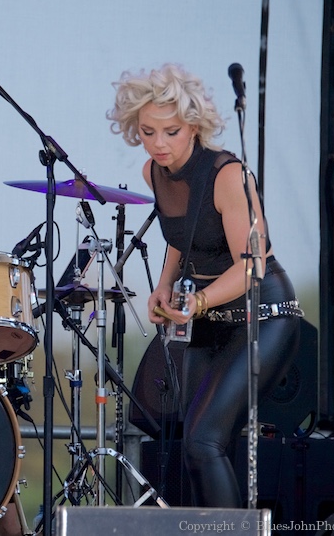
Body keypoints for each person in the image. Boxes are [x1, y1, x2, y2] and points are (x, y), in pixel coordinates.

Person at [107, 63, 303, 508]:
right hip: (209, 319)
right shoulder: (153, 172)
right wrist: (164, 286)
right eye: (148, 132)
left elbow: (252, 266)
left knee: (203, 441)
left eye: (171, 132)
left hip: (262, 315)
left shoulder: (227, 175)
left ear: (194, 127)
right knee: (191, 444)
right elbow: (182, 236)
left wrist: (197, 299)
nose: (159, 143)